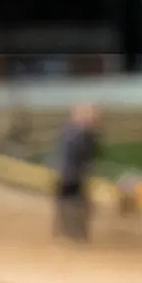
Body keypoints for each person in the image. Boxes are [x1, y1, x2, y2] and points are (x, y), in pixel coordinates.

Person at [52, 102, 102, 241]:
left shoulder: (78, 134)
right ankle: (70, 235)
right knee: (73, 206)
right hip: (71, 177)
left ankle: (72, 234)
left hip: (72, 176)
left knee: (75, 206)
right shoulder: (77, 135)